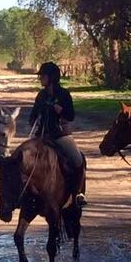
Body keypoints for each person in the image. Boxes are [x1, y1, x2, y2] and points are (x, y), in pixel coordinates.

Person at [30, 60, 86, 206]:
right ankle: (23, 194)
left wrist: (60, 110)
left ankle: (78, 193)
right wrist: (35, 118)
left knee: (79, 160)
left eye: (42, 76)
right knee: (21, 158)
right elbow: (32, 115)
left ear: (51, 78)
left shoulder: (64, 94)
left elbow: (71, 116)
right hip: (42, 136)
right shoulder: (41, 96)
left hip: (61, 135)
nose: (40, 79)